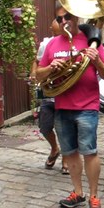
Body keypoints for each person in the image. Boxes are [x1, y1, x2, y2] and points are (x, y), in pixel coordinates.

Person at [36, 5, 104, 208]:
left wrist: (96, 62)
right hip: (62, 106)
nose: (64, 22)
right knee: (69, 152)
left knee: (90, 151)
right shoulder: (52, 43)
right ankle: (77, 192)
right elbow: (38, 75)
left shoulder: (91, 42)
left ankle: (94, 195)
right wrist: (51, 67)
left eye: (67, 17)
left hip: (87, 106)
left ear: (76, 18)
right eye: (60, 19)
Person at [30, 17, 69, 174]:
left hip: (65, 94)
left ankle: (66, 159)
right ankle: (54, 149)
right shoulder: (47, 44)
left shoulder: (71, 43)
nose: (52, 32)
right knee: (44, 127)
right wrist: (34, 72)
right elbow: (37, 61)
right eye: (52, 30)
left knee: (64, 129)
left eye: (54, 30)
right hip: (49, 93)